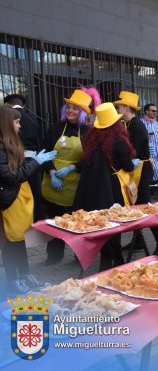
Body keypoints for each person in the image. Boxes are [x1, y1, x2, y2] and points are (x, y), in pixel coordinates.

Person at [73, 102, 140, 271]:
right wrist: (134, 164)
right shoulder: (119, 141)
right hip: (113, 190)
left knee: (103, 228)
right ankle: (113, 265)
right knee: (114, 228)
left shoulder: (92, 141)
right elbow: (127, 167)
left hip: (95, 191)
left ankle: (109, 263)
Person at [0, 106, 56, 293]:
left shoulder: (9, 142)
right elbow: (11, 177)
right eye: (16, 122)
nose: (19, 126)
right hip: (9, 200)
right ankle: (14, 282)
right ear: (7, 124)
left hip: (17, 198)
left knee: (18, 239)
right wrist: (36, 163)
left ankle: (24, 276)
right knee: (11, 241)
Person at [116, 92, 158, 257]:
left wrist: (123, 159)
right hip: (137, 169)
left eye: (119, 105)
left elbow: (133, 150)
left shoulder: (136, 125)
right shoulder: (129, 123)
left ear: (127, 107)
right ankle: (138, 241)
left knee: (145, 206)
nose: (117, 108)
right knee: (137, 205)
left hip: (142, 170)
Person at [42, 89, 92, 265]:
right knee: (55, 223)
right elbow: (45, 154)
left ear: (82, 113)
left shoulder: (87, 132)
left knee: (77, 223)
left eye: (75, 109)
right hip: (53, 184)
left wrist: (73, 167)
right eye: (68, 107)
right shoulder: (54, 129)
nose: (70, 111)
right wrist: (52, 172)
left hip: (76, 186)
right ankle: (53, 256)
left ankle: (79, 257)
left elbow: (90, 159)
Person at [4, 94, 44, 221]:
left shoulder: (7, 118)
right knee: (35, 196)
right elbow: (39, 141)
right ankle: (36, 223)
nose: (19, 126)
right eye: (17, 123)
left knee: (19, 199)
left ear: (8, 104)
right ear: (23, 105)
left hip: (17, 165)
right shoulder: (32, 118)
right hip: (33, 162)